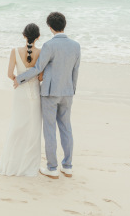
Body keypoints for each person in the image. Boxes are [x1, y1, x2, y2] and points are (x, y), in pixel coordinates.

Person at [15, 12, 80, 179]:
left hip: (50, 93)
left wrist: (19, 78)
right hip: (67, 92)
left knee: (50, 130)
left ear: (50, 27)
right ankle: (68, 166)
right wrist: (72, 89)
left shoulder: (49, 46)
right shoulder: (76, 46)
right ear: (64, 25)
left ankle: (52, 168)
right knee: (66, 128)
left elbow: (37, 69)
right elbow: (75, 71)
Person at [0, 23, 43, 176]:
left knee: (17, 126)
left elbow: (10, 74)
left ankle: (11, 163)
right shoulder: (41, 52)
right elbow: (40, 77)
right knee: (33, 129)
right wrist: (32, 79)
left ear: (23, 35)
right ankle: (29, 165)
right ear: (38, 37)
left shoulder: (14, 51)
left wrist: (17, 80)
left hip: (20, 93)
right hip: (35, 93)